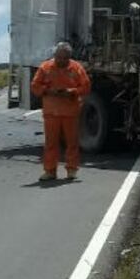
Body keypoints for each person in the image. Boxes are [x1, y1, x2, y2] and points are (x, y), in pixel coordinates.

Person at [31, 42, 91, 181]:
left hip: (70, 112)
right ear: (55, 56)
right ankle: (50, 171)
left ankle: (72, 170)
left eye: (65, 58)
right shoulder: (45, 67)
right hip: (51, 112)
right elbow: (35, 86)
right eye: (59, 58)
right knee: (51, 143)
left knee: (72, 142)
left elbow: (86, 87)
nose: (62, 61)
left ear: (69, 57)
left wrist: (72, 91)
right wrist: (47, 90)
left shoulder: (76, 68)